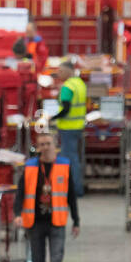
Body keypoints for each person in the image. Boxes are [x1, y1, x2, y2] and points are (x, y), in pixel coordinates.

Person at [16, 129, 79, 262]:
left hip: (56, 222)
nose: (45, 148)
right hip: (34, 223)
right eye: (41, 144)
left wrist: (76, 220)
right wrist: (17, 213)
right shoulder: (30, 167)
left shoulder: (64, 166)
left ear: (55, 145)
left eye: (48, 144)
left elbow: (71, 196)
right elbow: (20, 194)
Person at [51, 60, 87, 197]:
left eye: (60, 71)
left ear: (68, 71)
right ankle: (76, 188)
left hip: (67, 128)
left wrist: (52, 118)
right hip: (78, 126)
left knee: (69, 159)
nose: (58, 74)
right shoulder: (80, 84)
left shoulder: (67, 87)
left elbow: (65, 109)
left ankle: (74, 190)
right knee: (74, 158)